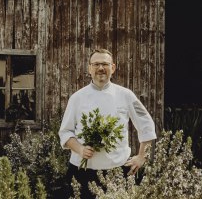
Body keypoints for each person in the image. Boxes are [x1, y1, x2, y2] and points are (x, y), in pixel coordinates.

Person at [58, 48, 157, 199]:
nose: (100, 68)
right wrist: (80, 149)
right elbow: (65, 132)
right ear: (89, 68)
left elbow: (147, 125)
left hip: (117, 172)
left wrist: (142, 156)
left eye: (105, 64)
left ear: (113, 67)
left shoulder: (126, 95)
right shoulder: (77, 98)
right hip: (82, 172)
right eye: (96, 64)